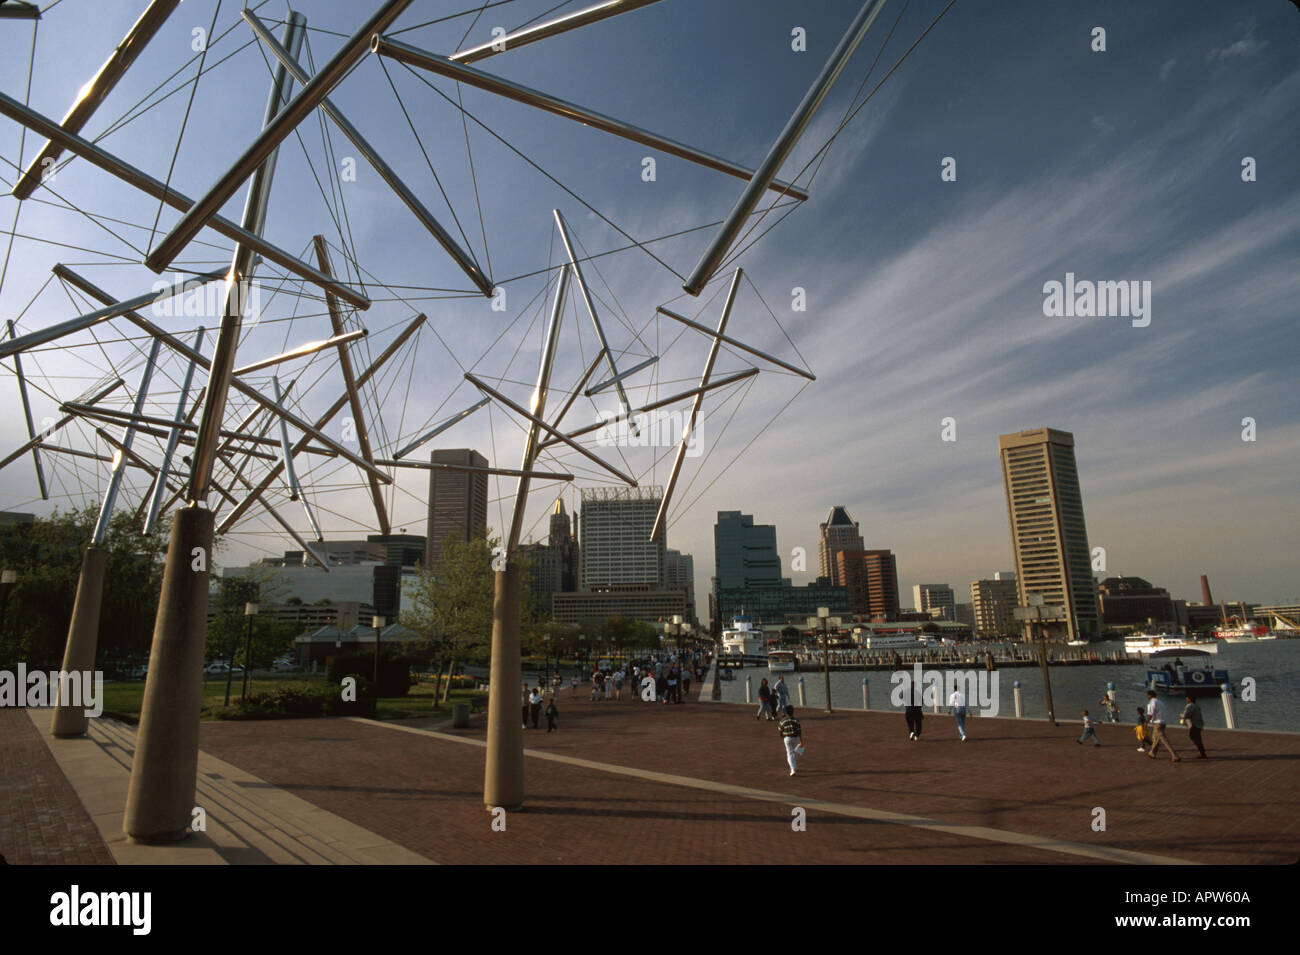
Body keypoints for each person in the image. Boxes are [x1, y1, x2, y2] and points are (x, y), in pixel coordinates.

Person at [1145, 690, 1181, 762]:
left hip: (1157, 723)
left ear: (1150, 695)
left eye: (1147, 695)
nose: (1146, 697)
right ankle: (1152, 753)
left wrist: (1146, 723)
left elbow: (1150, 714)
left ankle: (1175, 755)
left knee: (1163, 739)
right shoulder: (1160, 702)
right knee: (1156, 739)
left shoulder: (1152, 703)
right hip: (1163, 722)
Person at [778, 705, 804, 776]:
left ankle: (793, 769)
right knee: (795, 752)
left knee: (789, 753)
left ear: (786, 712)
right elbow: (799, 731)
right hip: (795, 738)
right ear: (793, 712)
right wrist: (801, 741)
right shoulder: (796, 720)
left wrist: (782, 736)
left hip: (787, 738)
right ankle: (794, 767)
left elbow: (780, 731)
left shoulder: (782, 720)